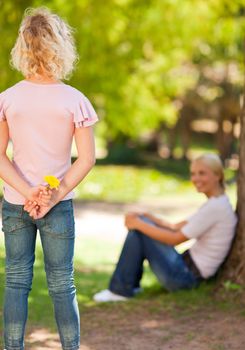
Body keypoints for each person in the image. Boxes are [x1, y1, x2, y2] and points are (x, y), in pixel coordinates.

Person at [0, 7, 98, 350]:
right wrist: (52, 195)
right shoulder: (75, 100)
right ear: (61, 46)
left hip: (15, 203)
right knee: (62, 285)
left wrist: (28, 192)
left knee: (15, 282)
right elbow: (86, 159)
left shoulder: (7, 99)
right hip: (58, 206)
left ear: (22, 48)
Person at [94, 154, 237, 302]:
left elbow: (174, 239)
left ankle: (121, 289)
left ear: (218, 175)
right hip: (185, 269)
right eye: (193, 173)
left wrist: (138, 224)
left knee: (139, 230)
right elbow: (175, 227)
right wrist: (147, 217)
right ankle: (125, 287)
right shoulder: (218, 203)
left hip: (185, 279)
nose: (195, 179)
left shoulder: (216, 207)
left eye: (202, 173)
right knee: (141, 226)